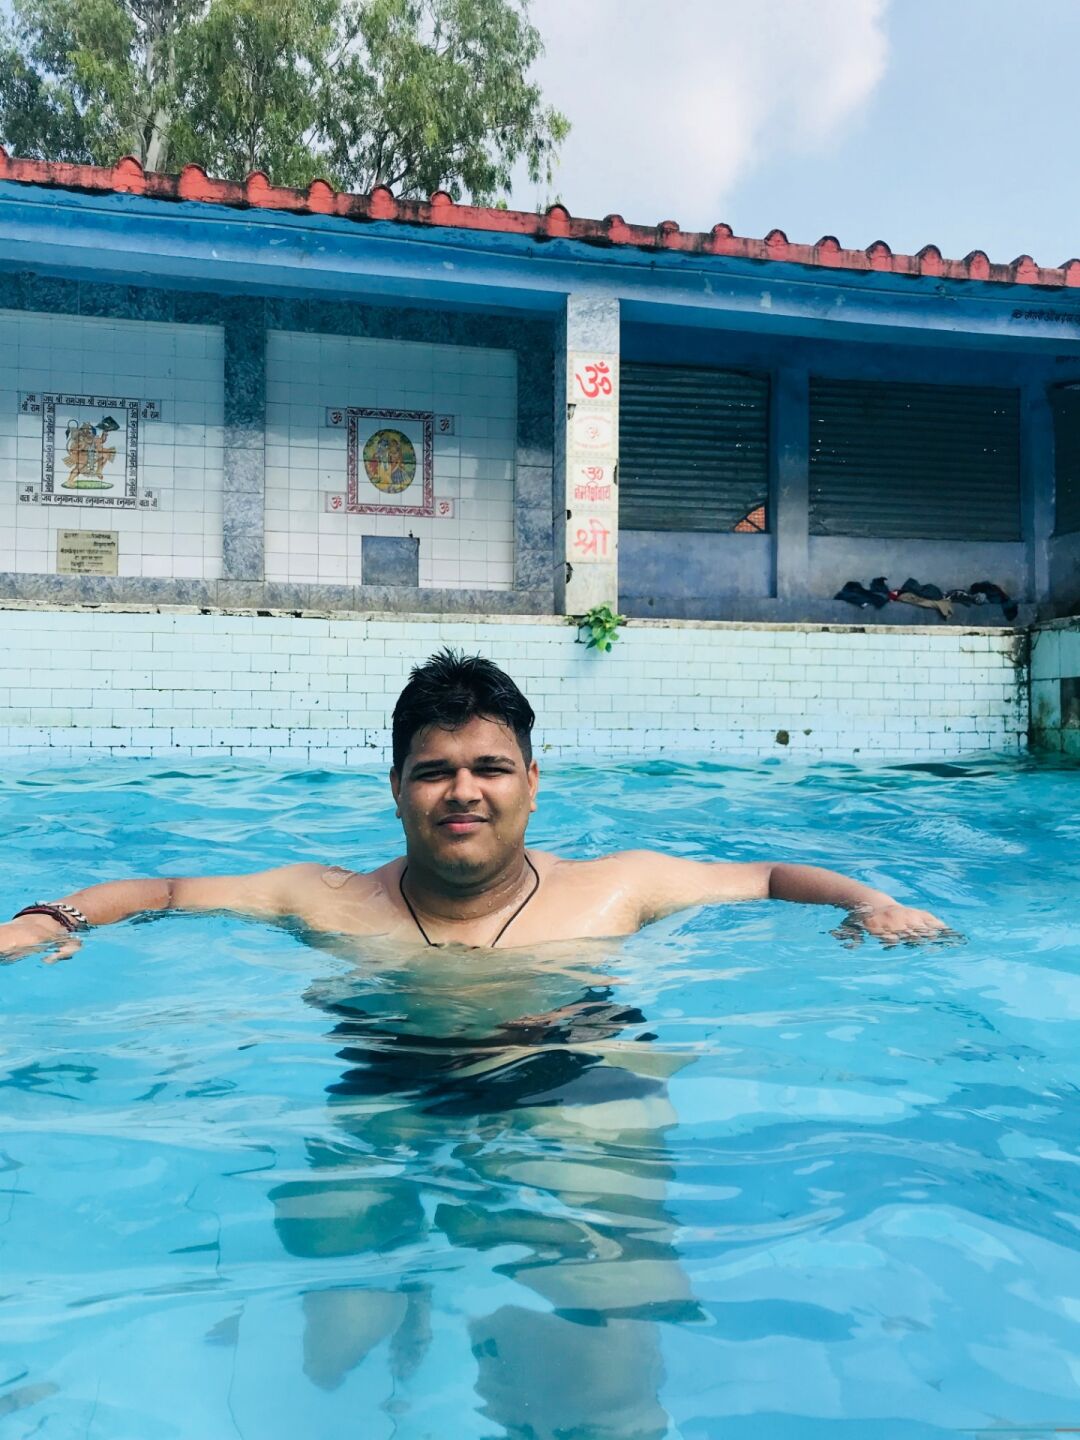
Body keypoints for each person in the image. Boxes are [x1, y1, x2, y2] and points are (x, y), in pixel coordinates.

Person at [0, 648, 948, 960]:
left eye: (490, 767)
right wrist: (49, 920)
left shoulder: (618, 887)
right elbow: (167, 891)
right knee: (337, 1281)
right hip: (387, 1080)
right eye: (433, 771)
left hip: (571, 1076)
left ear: (532, 782)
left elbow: (772, 876)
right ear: (397, 790)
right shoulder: (327, 898)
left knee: (608, 1286)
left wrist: (872, 902)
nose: (463, 792)